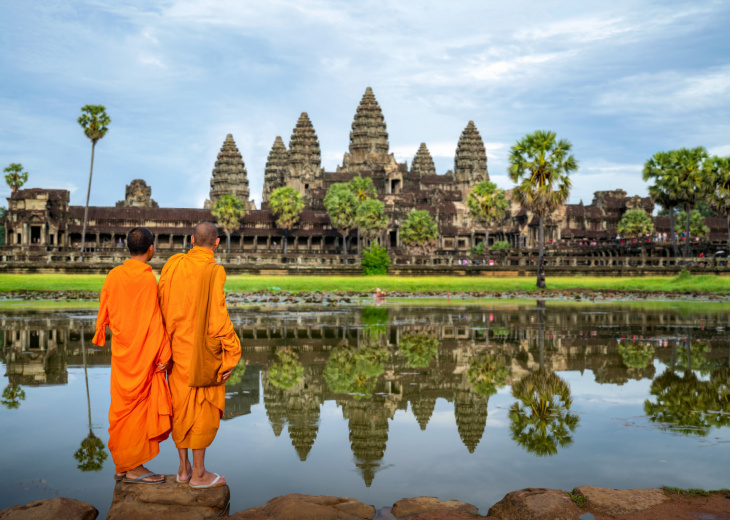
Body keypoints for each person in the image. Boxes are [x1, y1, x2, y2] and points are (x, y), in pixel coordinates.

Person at [158, 222, 241, 488]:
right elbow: (218, 318)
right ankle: (200, 474)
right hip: (202, 354)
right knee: (201, 409)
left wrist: (163, 346)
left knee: (180, 407)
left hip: (175, 349)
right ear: (216, 243)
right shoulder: (214, 270)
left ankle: (183, 470)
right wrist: (232, 352)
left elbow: (161, 303)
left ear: (191, 239)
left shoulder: (173, 264)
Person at [92, 227, 172, 484]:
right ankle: (134, 467)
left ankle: (123, 465)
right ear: (151, 248)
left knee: (121, 408)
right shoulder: (148, 279)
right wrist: (164, 352)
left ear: (128, 247)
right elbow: (153, 320)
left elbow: (105, 310)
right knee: (136, 409)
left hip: (123, 353)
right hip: (142, 354)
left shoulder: (114, 275)